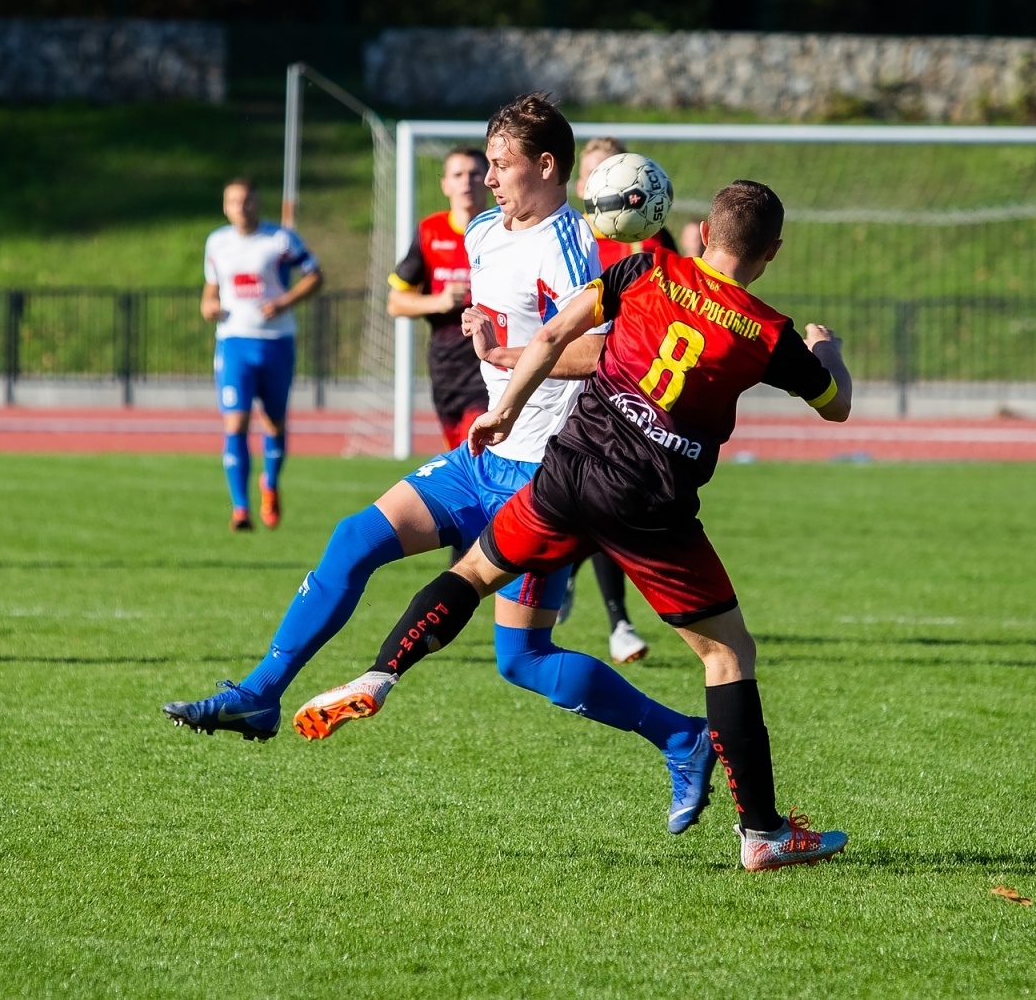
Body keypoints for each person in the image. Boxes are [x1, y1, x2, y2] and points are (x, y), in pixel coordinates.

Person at [164, 94, 718, 834]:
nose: (488, 178)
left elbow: (599, 353)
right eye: (485, 163)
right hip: (478, 458)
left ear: (547, 167)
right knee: (354, 538)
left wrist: (502, 351)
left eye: (502, 164)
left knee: (522, 659)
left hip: (547, 478)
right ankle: (262, 692)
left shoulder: (570, 248)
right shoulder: (487, 231)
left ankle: (684, 737)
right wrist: (476, 330)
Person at [299, 180, 854, 871]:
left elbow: (559, 330)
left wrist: (504, 408)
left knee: (471, 572)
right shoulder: (769, 334)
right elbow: (837, 407)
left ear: (703, 235)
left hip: (567, 472)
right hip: (650, 505)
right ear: (771, 252)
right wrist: (825, 349)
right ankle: (763, 833)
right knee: (726, 654)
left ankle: (383, 672)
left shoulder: (649, 268)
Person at [549, 136, 677, 663]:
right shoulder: (567, 237)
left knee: (603, 504)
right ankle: (556, 575)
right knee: (566, 506)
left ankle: (619, 624)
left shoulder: (650, 240)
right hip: (559, 384)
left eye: (617, 171)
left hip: (619, 389)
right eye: (598, 172)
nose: (609, 183)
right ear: (583, 185)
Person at [202, 179, 323, 532]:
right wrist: (208, 305)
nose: (241, 207)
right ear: (225, 206)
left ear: (258, 202)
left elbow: (315, 276)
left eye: (247, 200)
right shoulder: (217, 242)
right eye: (233, 201)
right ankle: (240, 509)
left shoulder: (280, 239)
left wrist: (284, 302)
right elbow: (211, 289)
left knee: (273, 422)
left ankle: (269, 483)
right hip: (234, 341)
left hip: (276, 341)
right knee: (235, 423)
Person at [387, 148, 493, 452]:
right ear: (445, 184)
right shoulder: (430, 232)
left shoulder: (506, 228)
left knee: (475, 453)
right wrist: (440, 301)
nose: (466, 182)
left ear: (488, 180)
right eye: (458, 175)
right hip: (446, 367)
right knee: (459, 456)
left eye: (474, 174)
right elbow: (396, 303)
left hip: (491, 365)